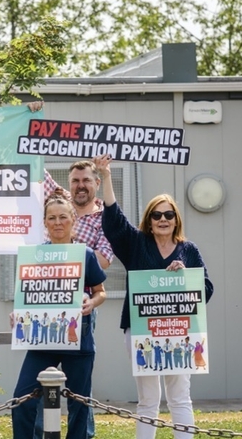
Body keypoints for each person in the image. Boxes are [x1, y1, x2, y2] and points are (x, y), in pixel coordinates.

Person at [95, 153, 214, 439]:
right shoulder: (136, 244)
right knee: (148, 399)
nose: (163, 219)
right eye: (156, 215)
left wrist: (186, 276)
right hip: (140, 331)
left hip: (179, 332)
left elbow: (206, 289)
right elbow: (114, 223)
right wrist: (107, 176)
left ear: (176, 220)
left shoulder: (189, 250)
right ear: (149, 221)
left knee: (180, 397)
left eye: (169, 214)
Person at [11, 189, 107, 439]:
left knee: (80, 406)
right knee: (21, 399)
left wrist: (92, 304)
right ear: (44, 222)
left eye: (63, 217)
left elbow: (101, 292)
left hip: (79, 338)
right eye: (52, 218)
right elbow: (27, 296)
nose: (57, 223)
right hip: (43, 341)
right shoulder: (34, 255)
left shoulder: (85, 254)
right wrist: (17, 315)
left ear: (73, 219)